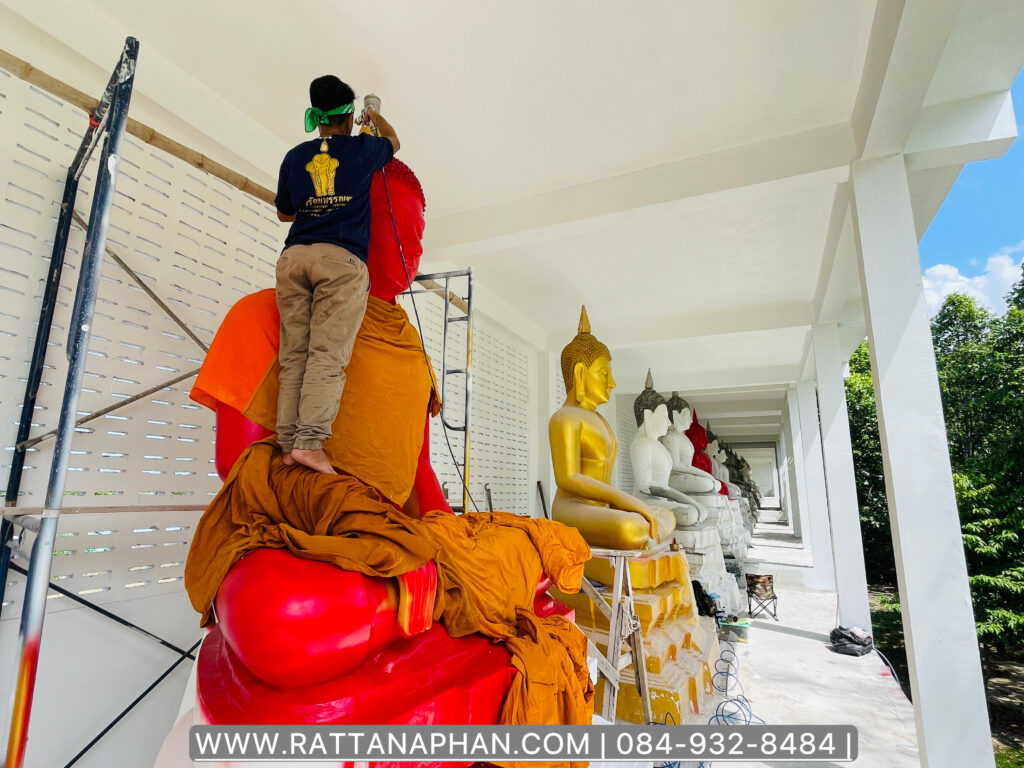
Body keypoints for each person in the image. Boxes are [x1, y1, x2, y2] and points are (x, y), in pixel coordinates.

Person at [273, 75, 400, 474]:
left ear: (318, 117)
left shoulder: (295, 156)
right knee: (326, 355)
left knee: (294, 355)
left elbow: (284, 211)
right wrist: (375, 117)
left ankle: (286, 444)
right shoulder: (362, 149)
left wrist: (317, 204)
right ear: (349, 118)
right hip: (339, 261)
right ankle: (309, 444)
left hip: (294, 257)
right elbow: (394, 143)